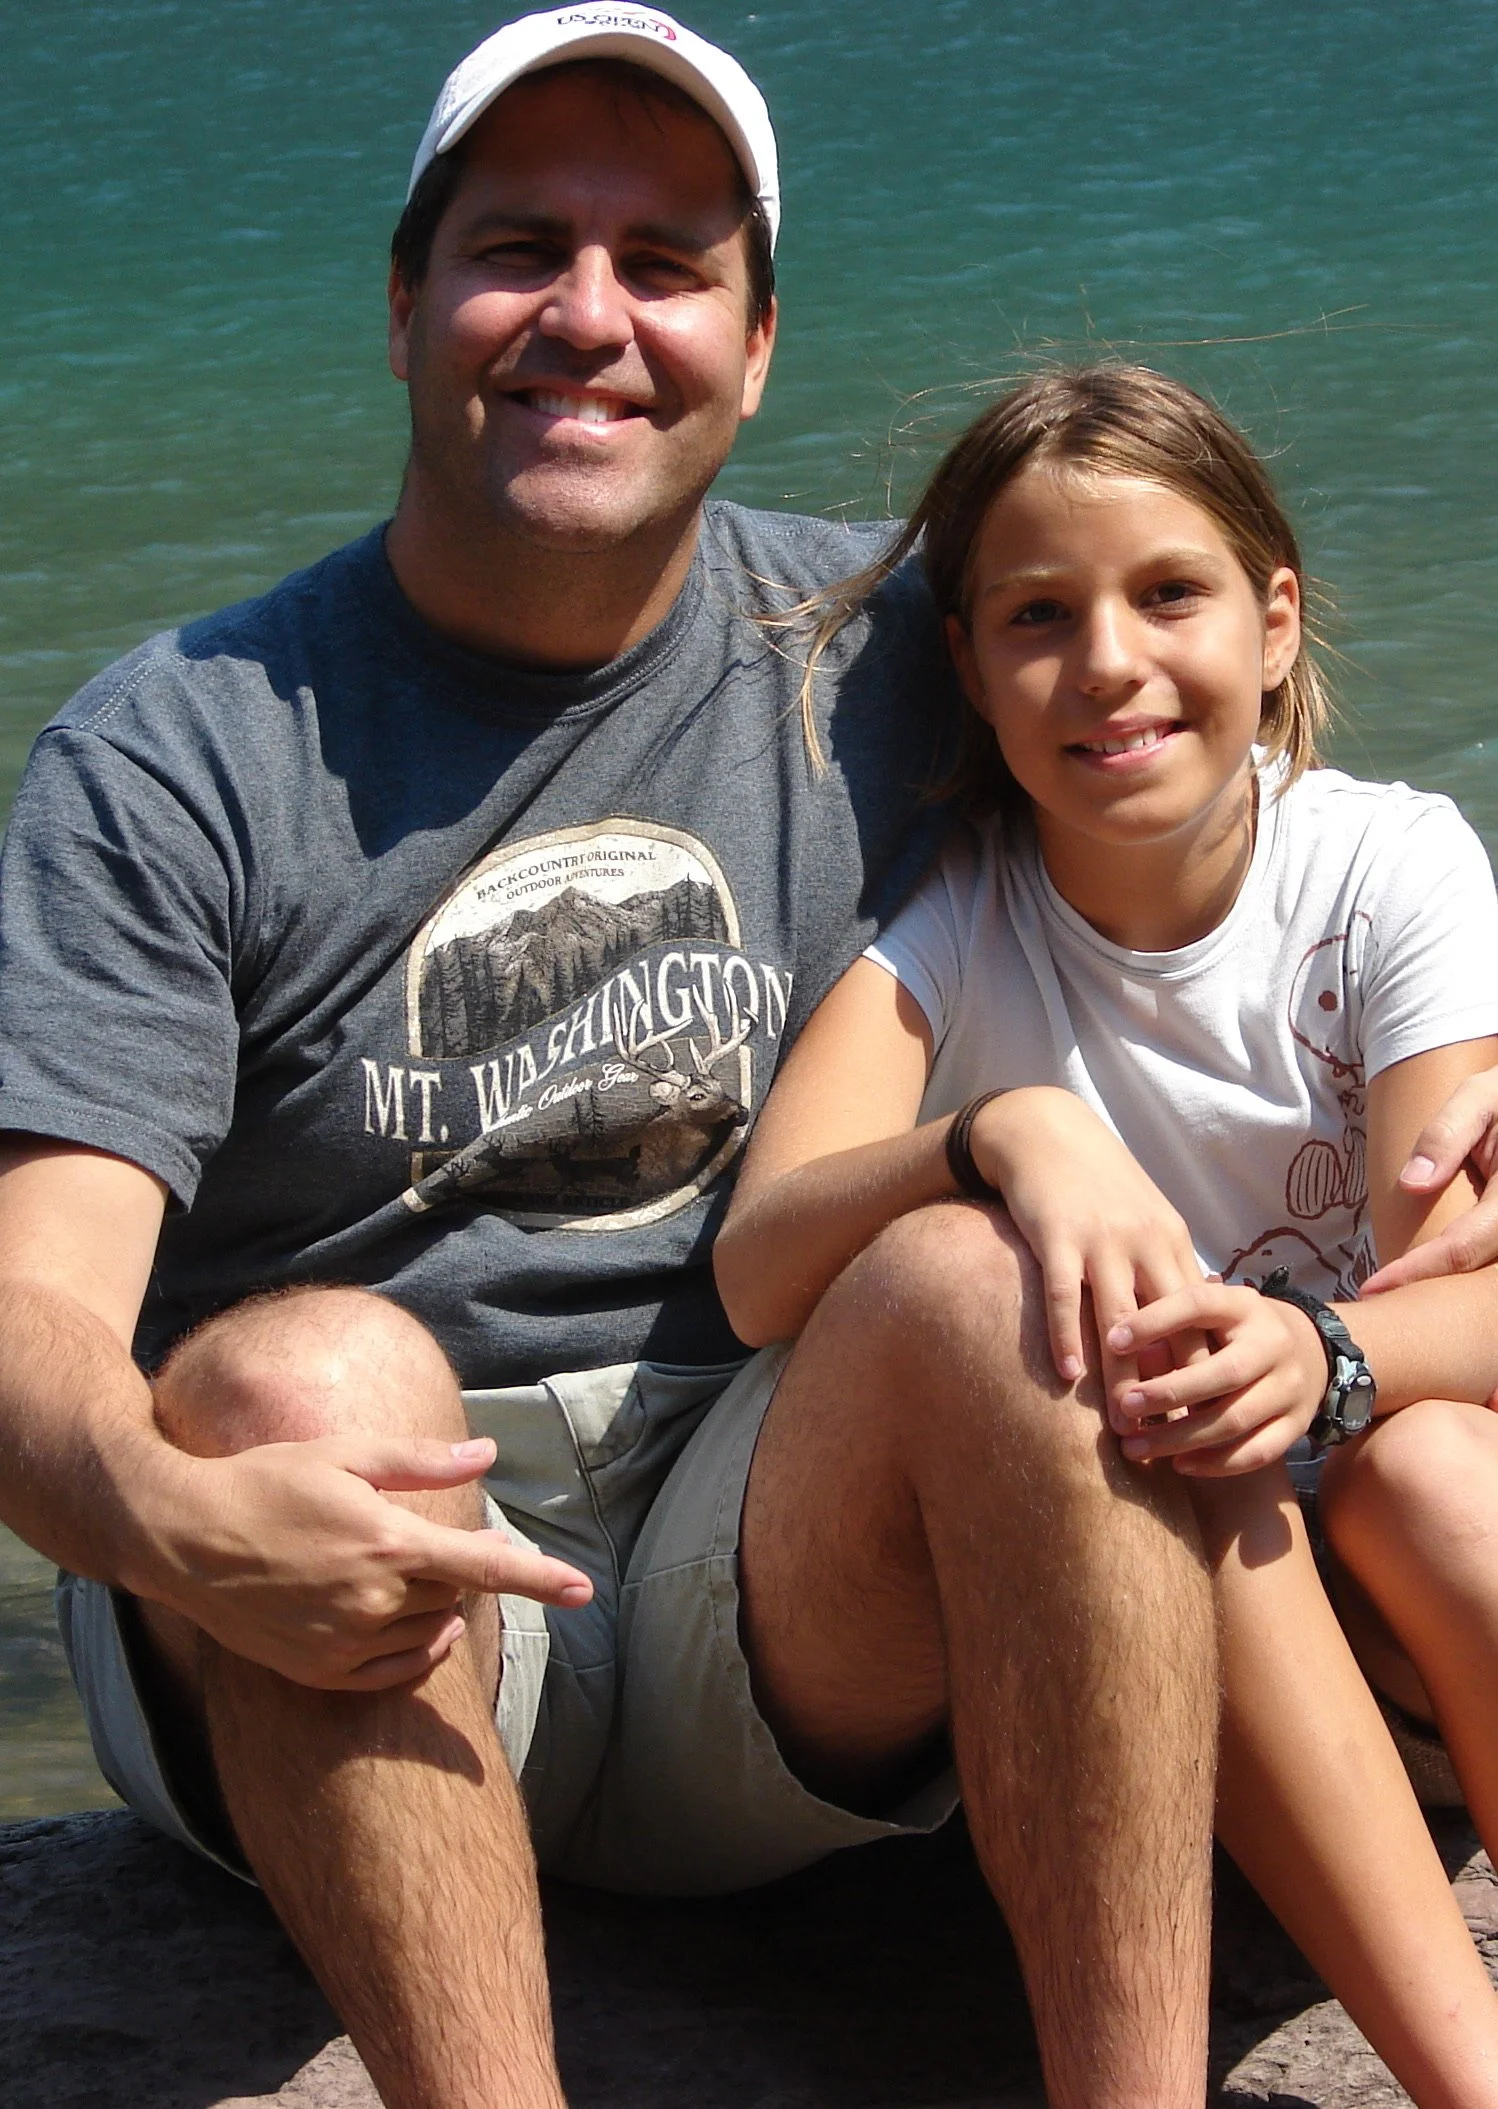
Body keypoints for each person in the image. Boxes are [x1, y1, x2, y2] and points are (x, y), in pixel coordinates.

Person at [0, 14, 1222, 2109]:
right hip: (321, 1613)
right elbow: (33, 1309)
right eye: (516, 247)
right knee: (310, 1373)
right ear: (401, 308)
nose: (587, 317)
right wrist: (188, 1525)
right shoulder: (178, 746)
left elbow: (1236, 849)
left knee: (1004, 1283)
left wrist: (1439, 1097)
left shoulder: (894, 650)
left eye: (664, 261)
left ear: (756, 344)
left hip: (753, 1573)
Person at [714, 362, 1498, 2105]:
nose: (1109, 664)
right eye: (1037, 618)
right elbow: (759, 1264)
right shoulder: (955, 924)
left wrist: (1326, 1353)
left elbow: (1468, 1289)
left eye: (1169, 594)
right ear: (969, 670)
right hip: (1135, 1654)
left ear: (1274, 621)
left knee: (1425, 1467)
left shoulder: (1389, 871)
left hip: (1391, 1615)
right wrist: (989, 1139)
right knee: (1168, 1408)